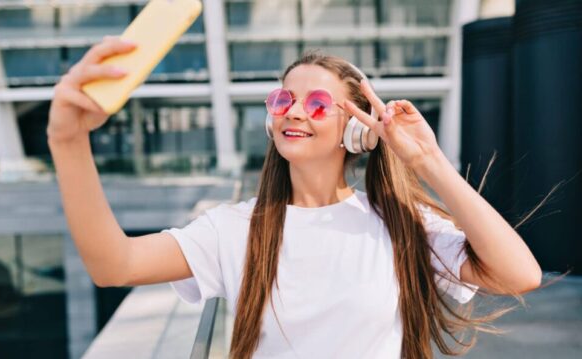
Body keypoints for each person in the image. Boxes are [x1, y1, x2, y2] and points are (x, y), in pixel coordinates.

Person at [47, 36, 543, 359]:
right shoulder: (235, 229)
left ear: (355, 130)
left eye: (319, 103)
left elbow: (520, 274)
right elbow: (115, 266)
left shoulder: (401, 225)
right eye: (284, 99)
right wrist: (68, 142)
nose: (295, 112)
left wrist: (428, 163)